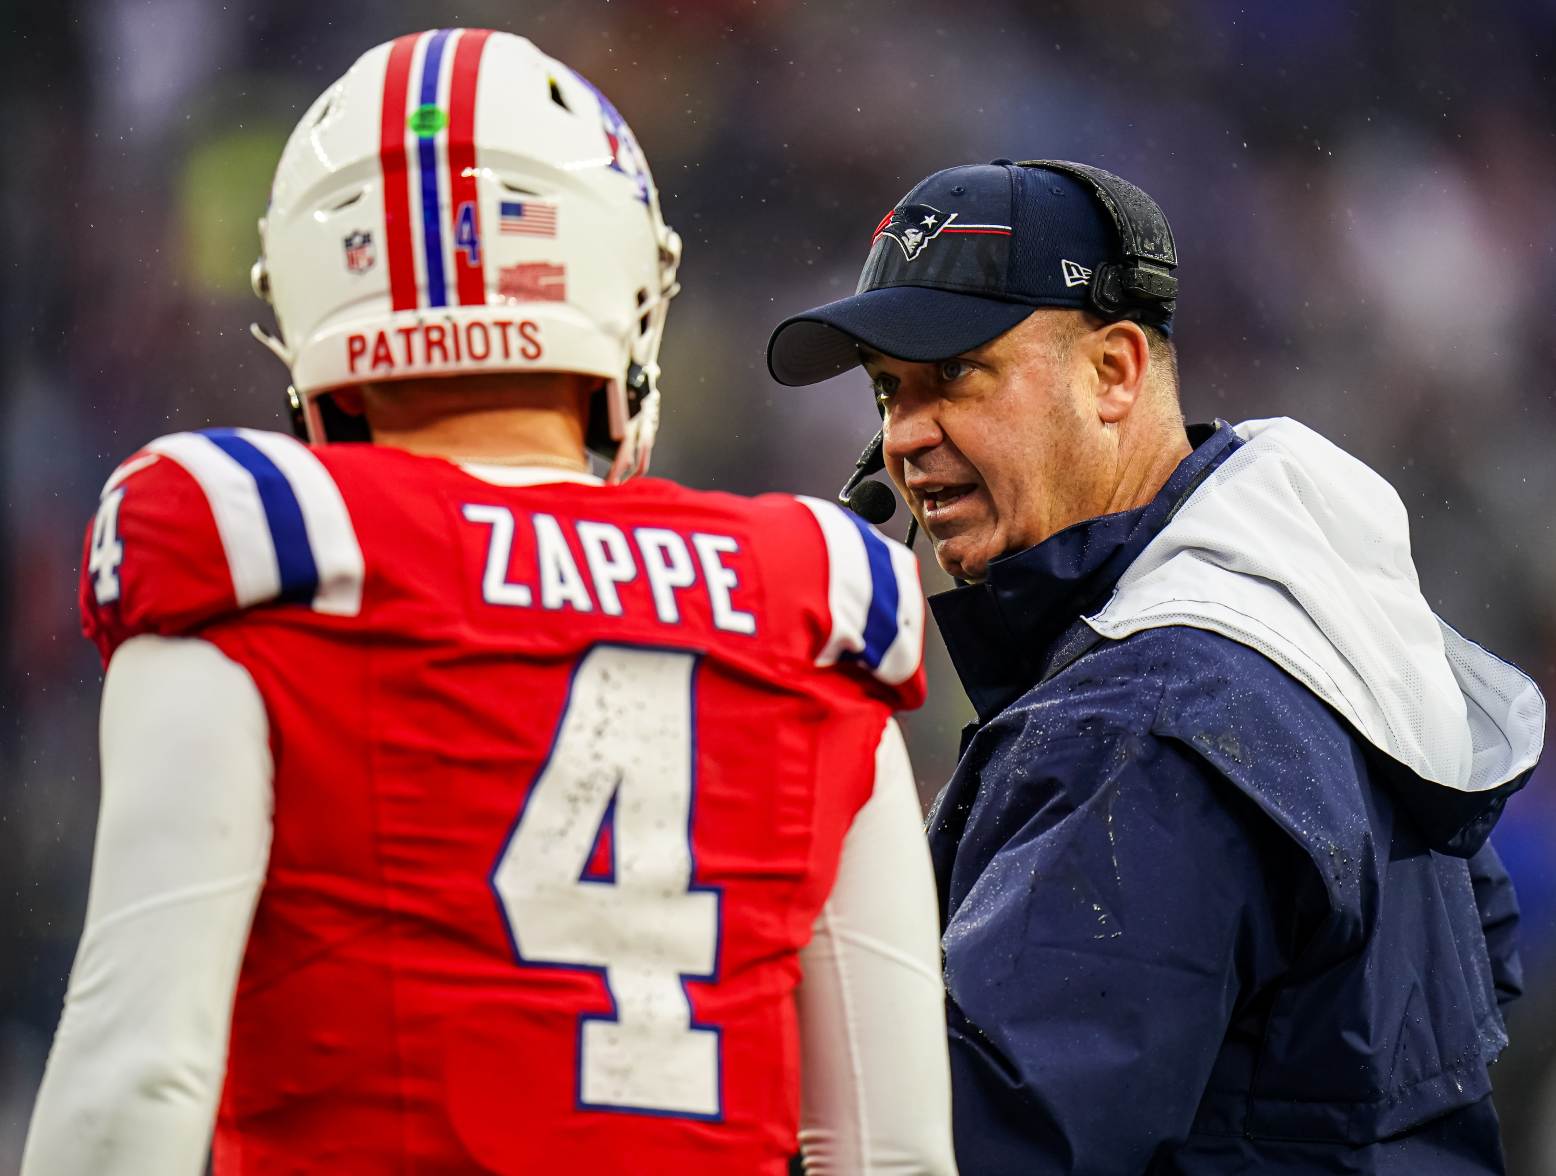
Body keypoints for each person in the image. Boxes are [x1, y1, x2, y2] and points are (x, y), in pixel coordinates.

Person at [22, 30, 957, 1176]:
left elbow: (134, 1087)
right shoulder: (814, 591)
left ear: (316, 306)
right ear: (621, 285)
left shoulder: (264, 545)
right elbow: (893, 1152)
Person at [766, 158, 1546, 1173]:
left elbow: (974, 1148)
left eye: (955, 374)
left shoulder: (1143, 722)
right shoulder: (1327, 630)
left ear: (1115, 372)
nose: (904, 436)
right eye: (886, 391)